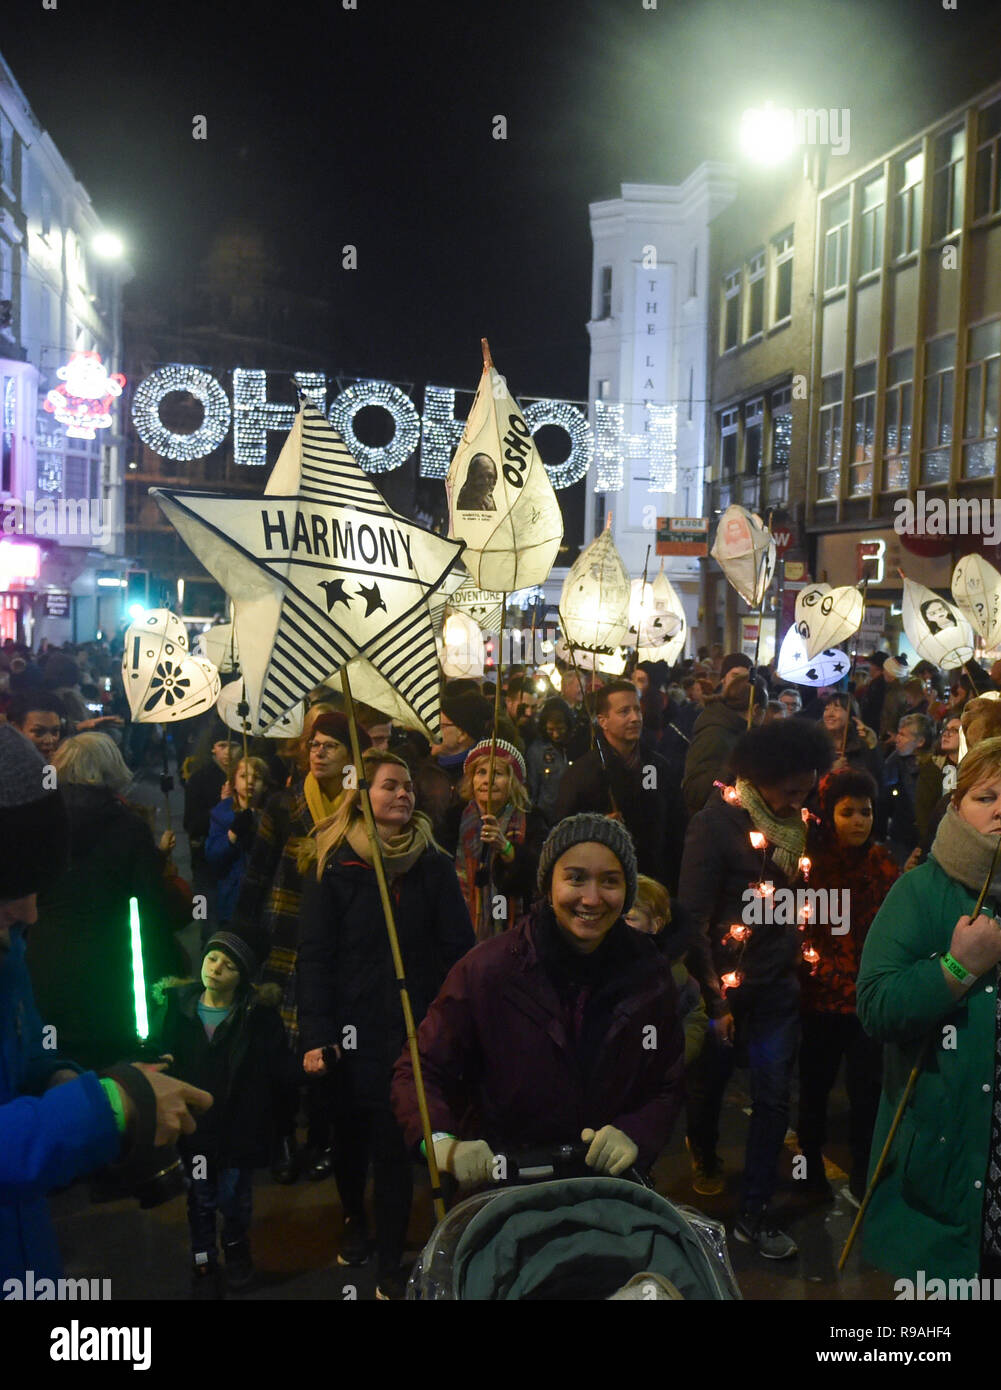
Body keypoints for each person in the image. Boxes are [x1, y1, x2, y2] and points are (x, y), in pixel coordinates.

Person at [0, 723, 212, 1286]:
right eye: (11, 891)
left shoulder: (13, 950)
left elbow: (20, 1063)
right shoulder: (122, 827)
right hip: (113, 979)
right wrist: (115, 1102)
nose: (30, 913)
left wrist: (60, 1077)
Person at [391, 814, 685, 1190]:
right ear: (548, 885)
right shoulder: (488, 971)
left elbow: (666, 1079)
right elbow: (420, 1071)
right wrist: (442, 1144)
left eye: (609, 881)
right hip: (505, 1187)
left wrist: (636, 1133)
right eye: (576, 878)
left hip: (608, 1187)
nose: (592, 899)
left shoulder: (649, 974)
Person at [297, 750, 474, 1299]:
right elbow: (316, 956)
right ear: (362, 795)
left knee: (396, 1142)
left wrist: (456, 1018)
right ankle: (355, 1217)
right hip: (351, 1028)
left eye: (408, 788)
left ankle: (391, 1263)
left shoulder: (432, 864)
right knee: (352, 1139)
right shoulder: (335, 866)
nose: (403, 795)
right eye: (389, 786)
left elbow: (458, 950)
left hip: (412, 1027)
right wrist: (318, 1032)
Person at [677, 718, 833, 1258]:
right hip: (723, 985)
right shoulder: (716, 824)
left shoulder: (804, 824)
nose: (800, 799)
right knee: (710, 1084)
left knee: (772, 1098)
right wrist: (714, 1000)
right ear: (760, 776)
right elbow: (690, 920)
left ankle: (755, 1212)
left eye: (807, 787)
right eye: (790, 789)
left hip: (778, 988)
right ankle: (704, 1151)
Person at [856, 737, 1001, 1282]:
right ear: (957, 805)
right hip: (945, 1160)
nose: (1000, 810)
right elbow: (876, 1006)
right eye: (986, 796)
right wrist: (956, 969)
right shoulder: (920, 891)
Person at [232, 712, 370, 1183]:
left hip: (340, 940)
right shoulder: (286, 805)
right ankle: (284, 1137)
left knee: (329, 1040)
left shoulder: (361, 807)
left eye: (331, 744)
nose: (319, 751)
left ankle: (323, 1138)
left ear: (351, 756)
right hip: (286, 935)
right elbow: (257, 872)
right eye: (315, 743)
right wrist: (241, 938)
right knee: (284, 1046)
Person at [26, 733, 191, 1070]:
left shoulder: (39, 822)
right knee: (107, 1067)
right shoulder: (128, 828)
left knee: (52, 1064)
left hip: (43, 961)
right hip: (110, 967)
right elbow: (150, 906)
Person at [155, 932, 291, 1298]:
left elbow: (277, 1072)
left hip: (237, 1129)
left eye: (229, 966)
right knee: (199, 1199)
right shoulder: (178, 1007)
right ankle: (203, 1260)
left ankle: (235, 1248)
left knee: (235, 1197)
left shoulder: (257, 1017)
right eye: (213, 958)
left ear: (242, 978)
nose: (216, 969)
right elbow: (163, 1054)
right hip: (196, 1128)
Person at [797, 769, 898, 1203]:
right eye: (847, 812)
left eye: (866, 812)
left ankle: (863, 1172)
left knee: (867, 1093)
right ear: (827, 814)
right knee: (815, 1090)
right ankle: (810, 1167)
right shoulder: (811, 865)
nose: (859, 821)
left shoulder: (883, 863)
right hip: (820, 998)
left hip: (866, 1000)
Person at [555, 679, 679, 888]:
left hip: (654, 885)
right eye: (624, 712)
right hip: (602, 887)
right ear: (603, 721)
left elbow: (676, 828)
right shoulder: (583, 774)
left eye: (637, 710)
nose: (634, 718)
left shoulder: (658, 766)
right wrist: (599, 828)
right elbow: (563, 834)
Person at [455, 739, 547, 941]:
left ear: (513, 781)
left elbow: (537, 876)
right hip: (463, 923)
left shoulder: (532, 820)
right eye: (481, 773)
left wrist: (505, 848)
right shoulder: (455, 819)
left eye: (498, 773)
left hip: (515, 921)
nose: (488, 781)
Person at [626, 874, 707, 1068]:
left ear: (655, 925)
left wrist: (673, 1059)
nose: (620, 926)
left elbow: (694, 1018)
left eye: (630, 918)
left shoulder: (671, 974)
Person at [682, 675, 767, 818]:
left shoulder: (738, 732)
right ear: (756, 709)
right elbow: (694, 790)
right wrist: (733, 770)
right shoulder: (716, 734)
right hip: (709, 824)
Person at [205, 756, 271, 929]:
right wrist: (232, 834)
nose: (250, 781)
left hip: (263, 898)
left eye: (256, 778)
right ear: (233, 782)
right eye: (243, 776)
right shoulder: (221, 814)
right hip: (232, 896)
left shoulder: (271, 816)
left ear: (264, 786)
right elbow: (212, 856)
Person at [881, 712, 935, 865]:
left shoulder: (933, 768)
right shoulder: (895, 761)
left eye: (903, 735)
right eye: (898, 733)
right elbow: (884, 796)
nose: (897, 739)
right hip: (900, 836)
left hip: (922, 839)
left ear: (920, 741)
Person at [526, 696, 573, 826]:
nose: (556, 735)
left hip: (574, 815)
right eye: (551, 730)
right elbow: (532, 787)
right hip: (546, 819)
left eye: (560, 729)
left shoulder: (577, 746)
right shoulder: (536, 751)